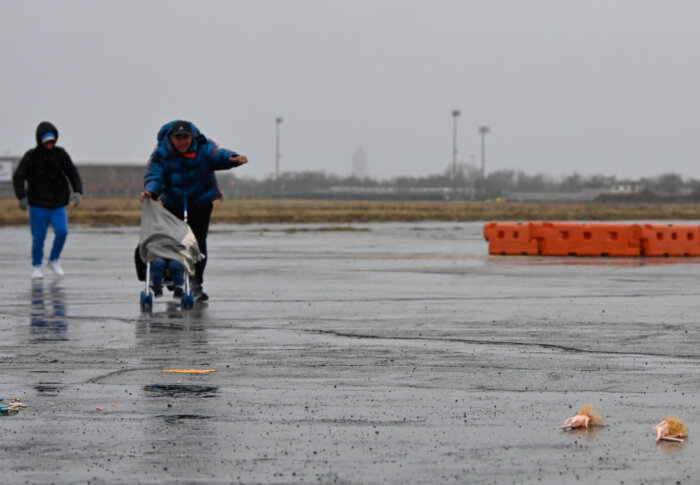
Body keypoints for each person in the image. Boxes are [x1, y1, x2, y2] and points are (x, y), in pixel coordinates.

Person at [140, 120, 248, 301]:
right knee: (174, 240)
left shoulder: (202, 147)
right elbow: (155, 175)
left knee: (197, 243)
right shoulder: (162, 153)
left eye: (186, 138)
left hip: (201, 201)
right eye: (178, 138)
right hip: (173, 203)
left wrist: (233, 159)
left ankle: (196, 281)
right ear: (171, 138)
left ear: (191, 138)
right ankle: (174, 275)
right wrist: (151, 191)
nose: (183, 142)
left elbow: (217, 155)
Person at [13, 121, 83, 279]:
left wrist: (78, 191)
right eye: (46, 141)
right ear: (40, 140)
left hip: (58, 203)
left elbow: (72, 172)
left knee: (62, 232)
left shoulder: (60, 154)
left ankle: (54, 259)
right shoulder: (31, 156)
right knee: (39, 238)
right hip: (38, 204)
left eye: (52, 141)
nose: (50, 144)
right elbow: (19, 176)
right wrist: (22, 196)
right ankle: (37, 266)